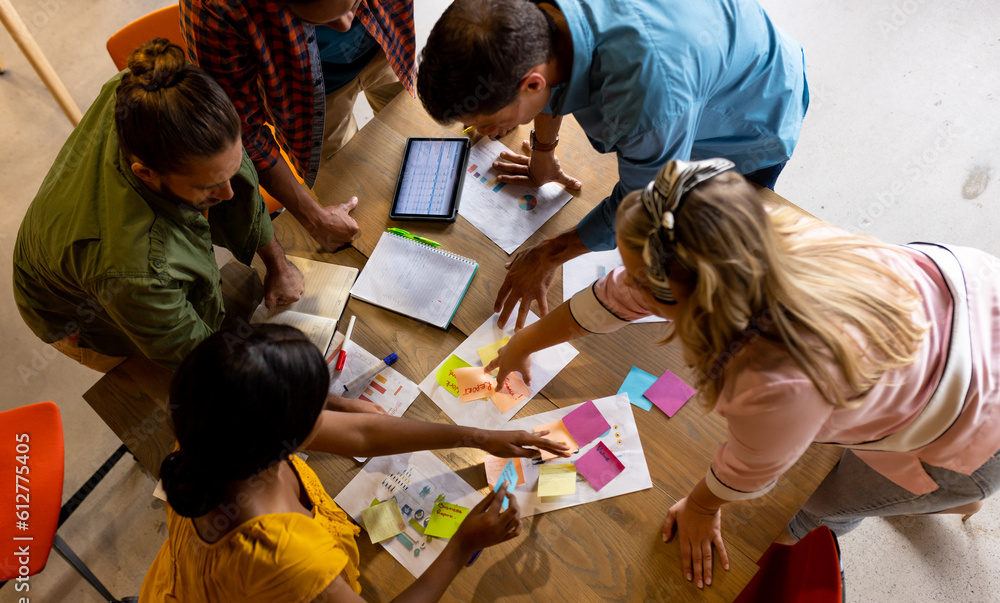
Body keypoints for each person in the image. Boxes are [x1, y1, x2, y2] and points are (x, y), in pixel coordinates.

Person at [486, 159, 1000, 589]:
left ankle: (938, 498)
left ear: (688, 301)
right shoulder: (748, 232)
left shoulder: (771, 380)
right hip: (971, 297)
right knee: (837, 438)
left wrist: (703, 508)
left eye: (643, 281)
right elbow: (616, 296)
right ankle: (937, 496)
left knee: (810, 506)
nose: (627, 285)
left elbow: (751, 470)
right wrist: (522, 342)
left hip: (977, 429)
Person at [134, 324, 569, 603]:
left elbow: (362, 433)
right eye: (317, 407)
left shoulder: (211, 436)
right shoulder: (286, 554)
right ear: (289, 435)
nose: (331, 410)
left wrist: (478, 435)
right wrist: (462, 545)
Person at [418, 0, 809, 330]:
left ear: (532, 85)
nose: (486, 131)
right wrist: (543, 151)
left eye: (489, 119)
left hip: (750, 112)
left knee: (713, 259)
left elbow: (645, 205)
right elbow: (552, 64)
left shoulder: (649, 99)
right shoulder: (528, 18)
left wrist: (548, 254)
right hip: (702, 52)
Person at [12, 39, 303, 373]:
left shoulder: (146, 97)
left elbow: (234, 179)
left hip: (87, 244)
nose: (229, 194)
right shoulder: (132, 269)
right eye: (207, 187)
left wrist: (277, 264)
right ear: (146, 174)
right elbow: (203, 360)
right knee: (155, 389)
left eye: (230, 169)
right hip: (74, 308)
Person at [181, 0, 415, 251]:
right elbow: (242, 132)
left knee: (418, 142)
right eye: (322, 20)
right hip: (307, 100)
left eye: (355, 3)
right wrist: (314, 218)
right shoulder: (213, 8)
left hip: (384, 42)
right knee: (355, 201)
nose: (346, 24)